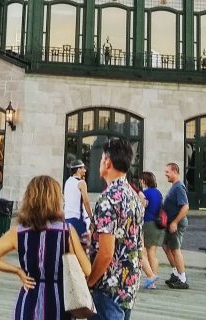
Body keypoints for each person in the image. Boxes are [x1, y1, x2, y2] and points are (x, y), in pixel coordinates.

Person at [0, 173, 91, 320]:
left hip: (28, 300)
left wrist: (18, 271)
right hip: (58, 303)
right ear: (54, 200)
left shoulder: (18, 232)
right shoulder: (67, 231)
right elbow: (86, 269)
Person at [87, 136, 143, 320]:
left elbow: (106, 253)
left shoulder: (108, 199)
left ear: (108, 162)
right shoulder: (133, 196)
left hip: (107, 290)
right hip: (128, 287)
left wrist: (89, 282)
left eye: (101, 159)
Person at [162, 160, 191, 289]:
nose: (165, 174)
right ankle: (176, 273)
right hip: (170, 223)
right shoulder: (175, 186)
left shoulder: (179, 187)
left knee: (175, 249)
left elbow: (185, 207)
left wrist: (174, 222)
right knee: (166, 246)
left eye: (167, 172)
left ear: (174, 171)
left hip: (176, 223)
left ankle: (182, 279)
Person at [138, 171, 163, 289]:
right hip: (157, 224)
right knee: (153, 253)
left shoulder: (144, 193)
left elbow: (141, 207)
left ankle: (151, 277)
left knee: (147, 253)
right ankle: (153, 279)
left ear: (144, 181)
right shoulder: (158, 193)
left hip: (147, 224)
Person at [63, 159, 94, 241]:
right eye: (83, 168)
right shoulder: (81, 183)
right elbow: (86, 202)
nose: (85, 170)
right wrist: (92, 218)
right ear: (78, 169)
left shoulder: (67, 182)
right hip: (77, 219)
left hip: (66, 219)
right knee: (82, 246)